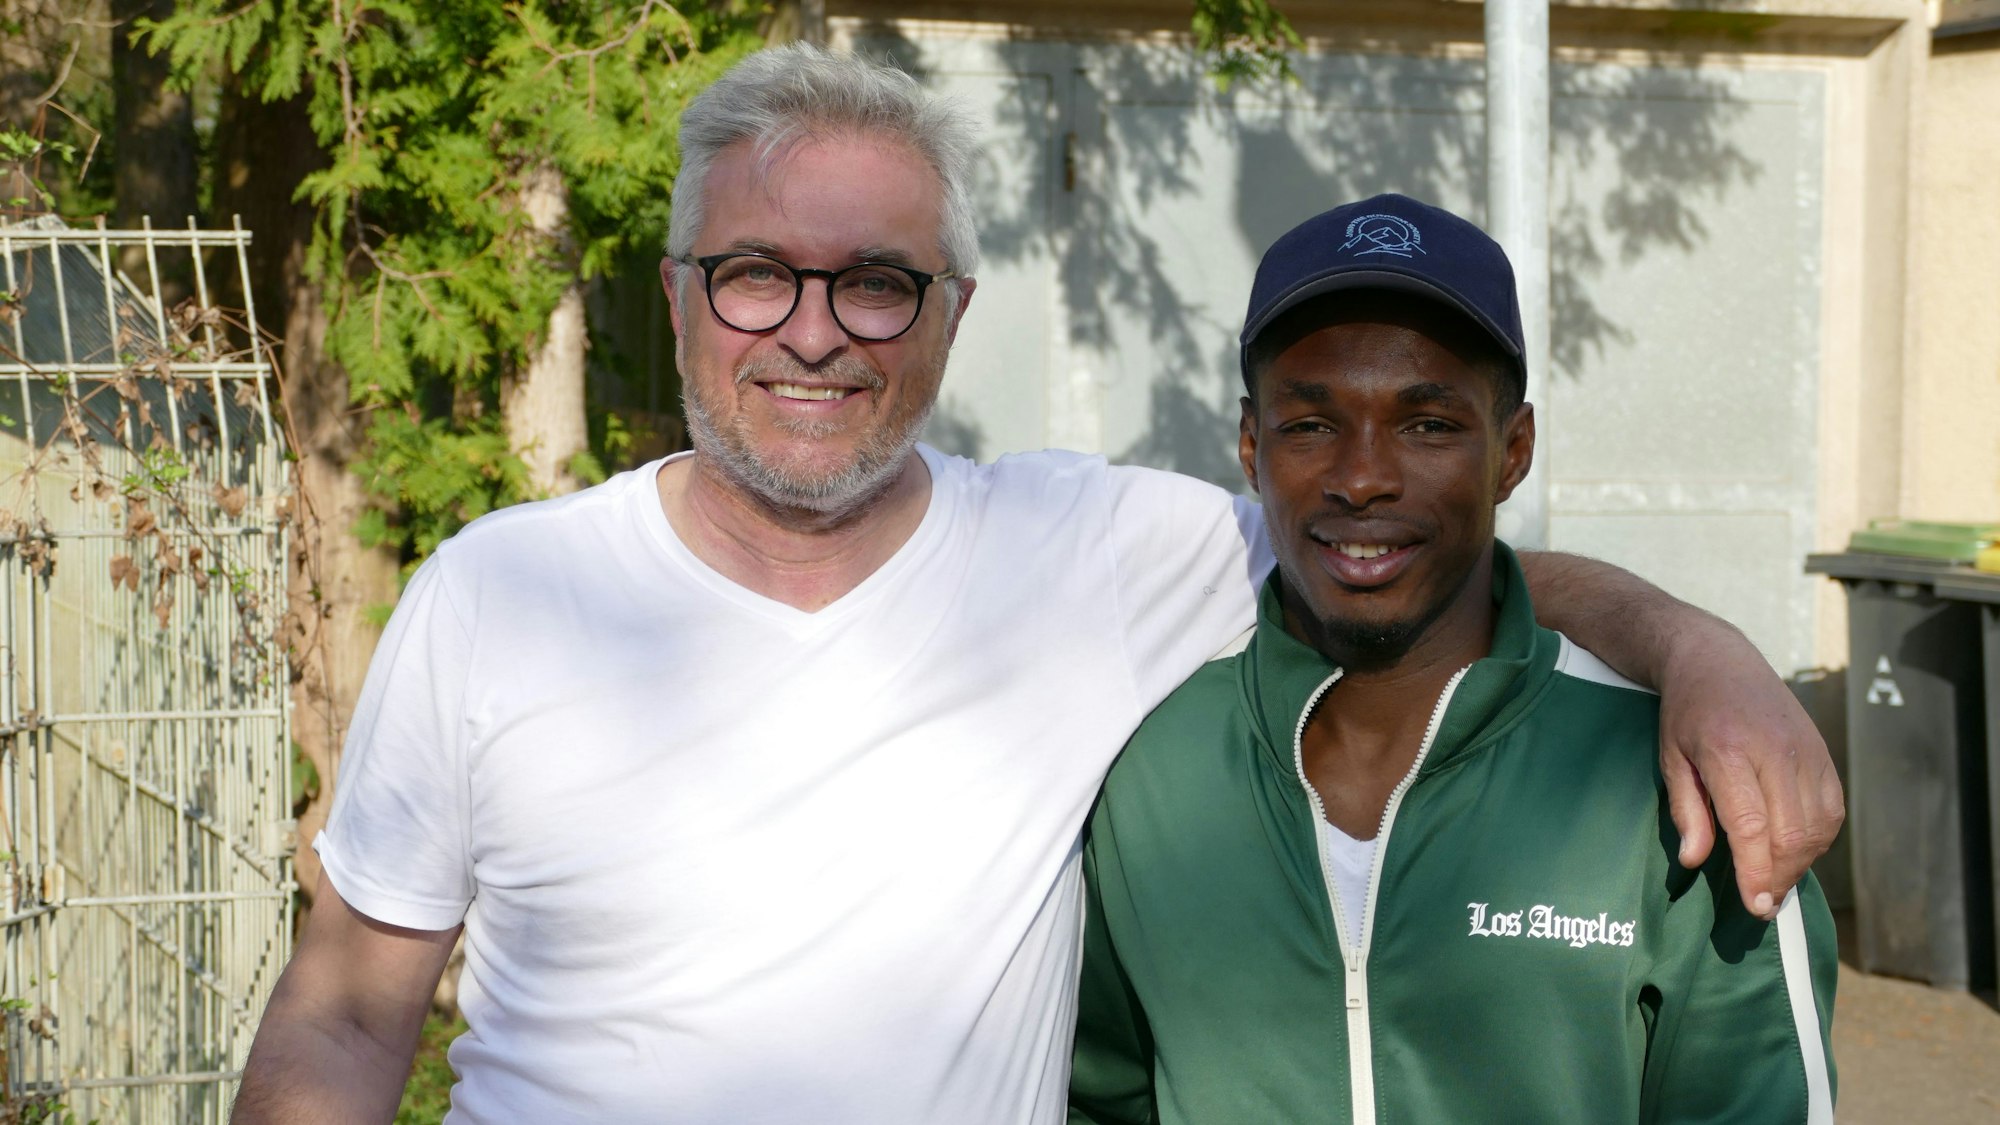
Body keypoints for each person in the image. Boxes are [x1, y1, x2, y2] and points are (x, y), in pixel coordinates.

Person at [230, 47, 1842, 1124]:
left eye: (878, 283)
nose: (813, 333)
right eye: (757, 274)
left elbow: (1407, 547)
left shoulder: (1094, 555)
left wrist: (1701, 651)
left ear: (951, 312)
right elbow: (352, 1015)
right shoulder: (502, 597)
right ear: (676, 296)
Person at [1067, 195, 1838, 1125]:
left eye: (1427, 424)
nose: (1362, 478)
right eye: (1310, 425)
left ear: (1513, 451)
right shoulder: (1150, 768)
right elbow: (1097, 1100)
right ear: (1250, 445)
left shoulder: (1674, 789)